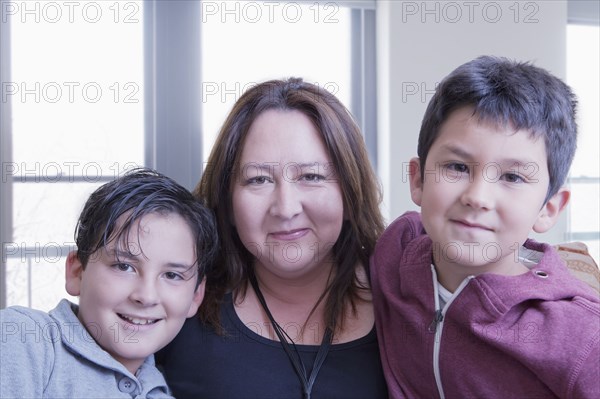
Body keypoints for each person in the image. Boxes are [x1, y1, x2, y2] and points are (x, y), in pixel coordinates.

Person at [371, 55, 600, 398]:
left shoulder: (581, 337)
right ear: (417, 180)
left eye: (512, 176)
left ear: (549, 208)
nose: (477, 197)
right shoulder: (396, 249)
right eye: (457, 167)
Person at [158, 78, 388, 398]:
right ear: (227, 202)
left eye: (311, 176)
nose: (285, 208)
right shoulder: (177, 301)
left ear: (350, 194)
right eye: (258, 179)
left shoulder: (404, 300)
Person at [0, 168, 218, 398]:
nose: (146, 296)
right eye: (124, 266)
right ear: (77, 273)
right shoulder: (25, 340)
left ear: (196, 295)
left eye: (172, 275)